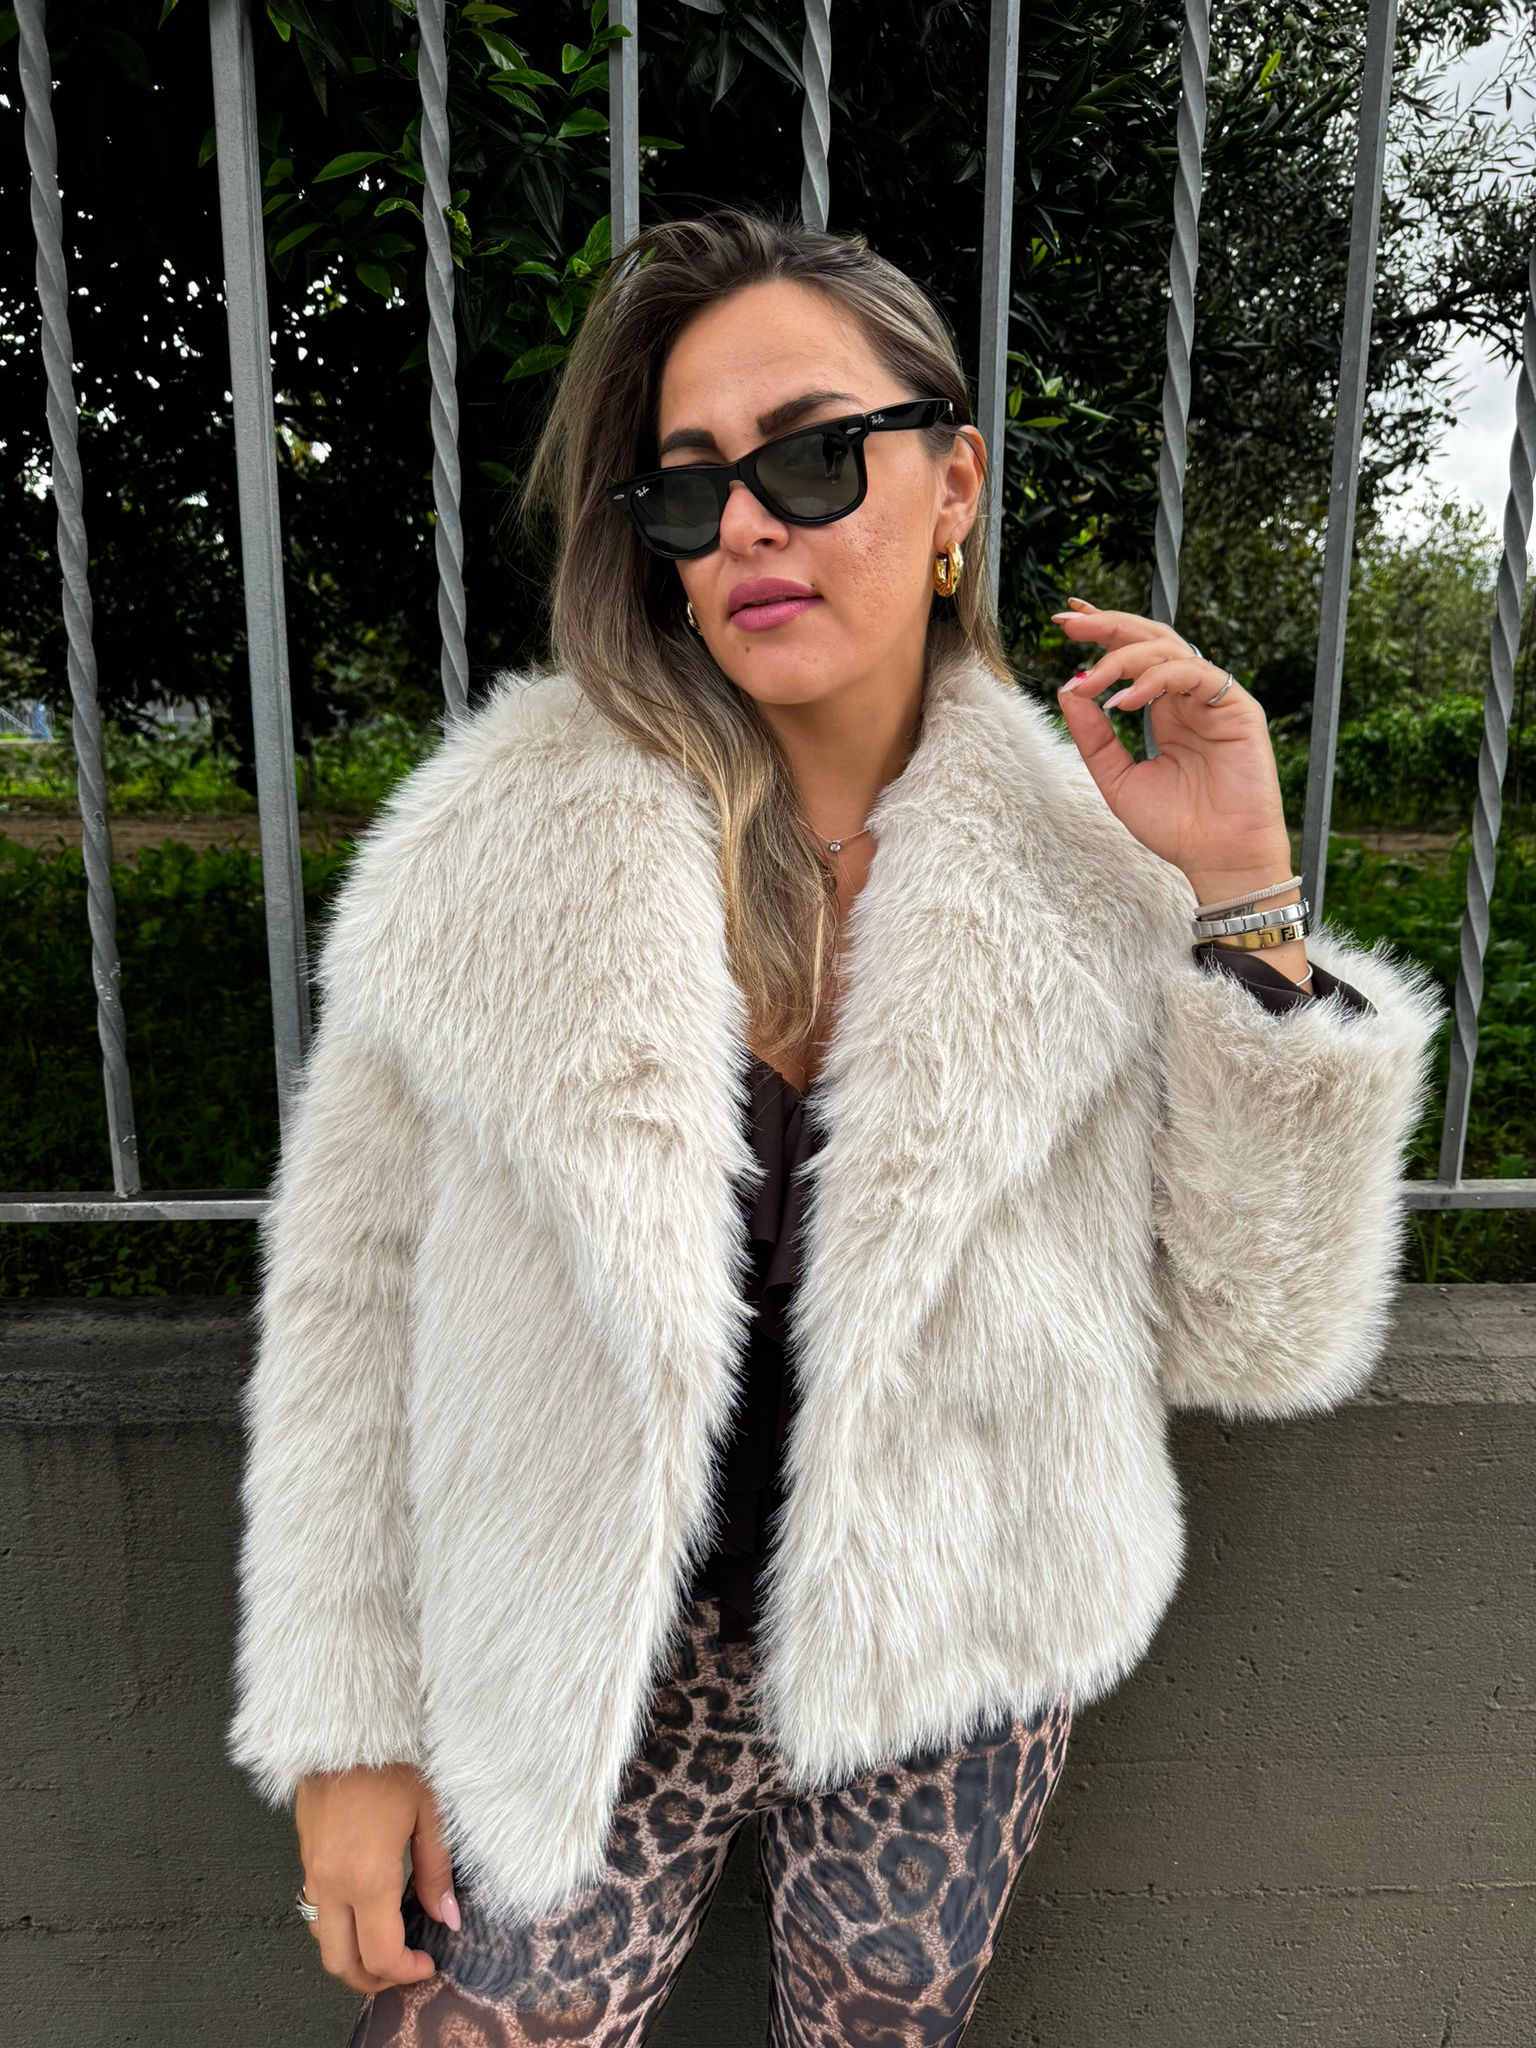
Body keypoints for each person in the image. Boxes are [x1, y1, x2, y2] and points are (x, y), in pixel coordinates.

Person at [225, 204, 1447, 2046]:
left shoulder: (1099, 871)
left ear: (953, 485)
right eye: (687, 486)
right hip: (575, 1647)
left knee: (886, 2020)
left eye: (811, 457)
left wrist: (1244, 902)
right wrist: (346, 1723)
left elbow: (1256, 1335)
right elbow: (347, 1308)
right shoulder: (491, 853)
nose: (746, 526)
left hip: (957, 1639)